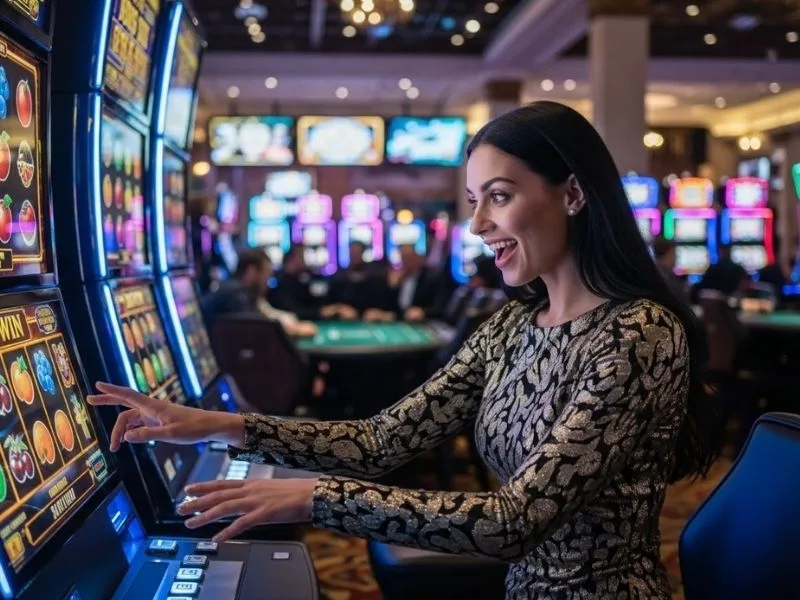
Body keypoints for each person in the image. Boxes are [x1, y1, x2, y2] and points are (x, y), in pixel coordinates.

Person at [90, 101, 720, 600]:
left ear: (573, 195)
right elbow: (379, 441)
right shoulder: (514, 325)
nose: (477, 226)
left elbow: (513, 521)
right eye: (475, 202)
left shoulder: (639, 333)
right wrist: (216, 425)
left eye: (499, 196)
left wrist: (314, 496)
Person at [201, 248, 317, 337]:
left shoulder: (238, 289)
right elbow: (256, 329)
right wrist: (294, 330)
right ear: (251, 271)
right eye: (266, 275)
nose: (267, 282)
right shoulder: (235, 293)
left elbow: (263, 314)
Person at [270, 245, 358, 321]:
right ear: (291, 260)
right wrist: (322, 312)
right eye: (302, 256)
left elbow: (316, 301)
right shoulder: (281, 283)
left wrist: (336, 308)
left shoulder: (304, 279)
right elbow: (293, 311)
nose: (306, 260)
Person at [652, 236, 689, 300]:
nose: (676, 257)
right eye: (674, 253)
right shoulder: (664, 278)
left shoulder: (664, 273)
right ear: (666, 254)